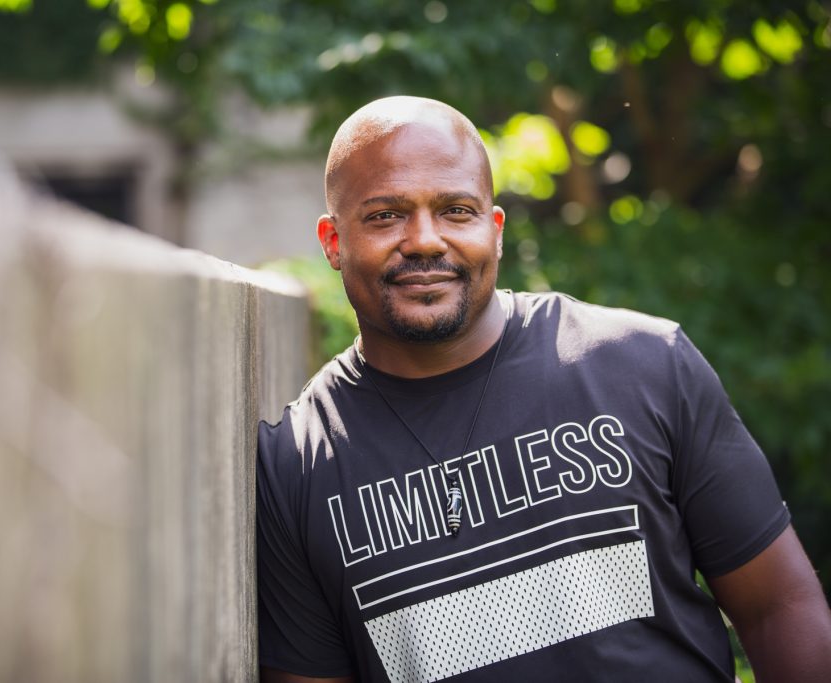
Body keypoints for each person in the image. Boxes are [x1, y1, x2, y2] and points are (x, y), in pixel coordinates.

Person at [255, 96, 831, 682]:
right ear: (332, 240)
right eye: (385, 216)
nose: (425, 240)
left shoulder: (642, 365)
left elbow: (778, 607)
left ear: (495, 230)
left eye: (456, 210)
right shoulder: (296, 466)